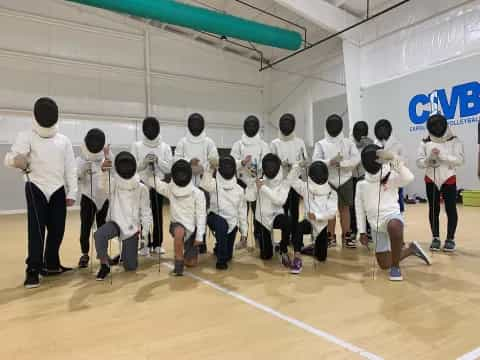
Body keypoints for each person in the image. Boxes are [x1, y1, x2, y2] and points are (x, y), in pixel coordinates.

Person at [4, 97, 77, 288]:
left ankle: (51, 264)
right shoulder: (26, 136)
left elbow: (70, 168)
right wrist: (17, 161)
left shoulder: (64, 140)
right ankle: (33, 270)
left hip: (58, 189)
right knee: (36, 231)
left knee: (57, 230)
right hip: (35, 187)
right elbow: (9, 158)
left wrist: (72, 193)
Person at [356, 144, 431, 281]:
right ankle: (411, 249)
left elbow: (409, 178)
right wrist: (361, 231)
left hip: (392, 217)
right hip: (375, 225)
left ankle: (396, 267)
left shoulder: (390, 175)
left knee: (395, 226)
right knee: (384, 264)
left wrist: (394, 159)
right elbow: (359, 208)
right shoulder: (361, 184)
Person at [94, 152, 152, 281]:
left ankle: (123, 255)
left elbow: (146, 212)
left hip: (132, 228)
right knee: (99, 235)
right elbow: (103, 187)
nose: (125, 168)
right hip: (115, 223)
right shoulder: (114, 182)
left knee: (130, 267)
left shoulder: (142, 188)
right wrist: (103, 171)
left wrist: (145, 235)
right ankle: (105, 264)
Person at [146, 159, 206, 276]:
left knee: (191, 263)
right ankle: (178, 266)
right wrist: (150, 170)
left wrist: (199, 236)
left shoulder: (198, 193)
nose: (181, 176)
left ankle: (185, 252)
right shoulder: (170, 188)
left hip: (192, 228)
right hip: (177, 224)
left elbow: (201, 216)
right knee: (179, 232)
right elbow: (155, 183)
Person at [416, 114, 464, 252]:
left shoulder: (454, 140)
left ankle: (450, 239)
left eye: (439, 125)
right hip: (431, 178)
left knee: (450, 209)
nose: (437, 128)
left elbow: (460, 160)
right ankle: (435, 238)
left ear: (444, 125)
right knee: (433, 209)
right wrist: (428, 159)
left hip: (448, 177)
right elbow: (419, 162)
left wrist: (443, 157)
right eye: (434, 126)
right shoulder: (425, 142)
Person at [313, 114, 360, 248]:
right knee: (330, 210)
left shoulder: (348, 142)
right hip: (328, 181)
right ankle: (330, 235)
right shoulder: (321, 144)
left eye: (336, 124)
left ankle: (346, 235)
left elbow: (356, 159)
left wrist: (343, 164)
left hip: (345, 179)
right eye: (331, 124)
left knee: (344, 208)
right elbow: (316, 161)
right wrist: (330, 162)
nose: (334, 126)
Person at [175, 113, 218, 254]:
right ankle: (189, 240)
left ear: (202, 124)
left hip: (203, 183)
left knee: (202, 213)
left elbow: (214, 159)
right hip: (186, 185)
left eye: (198, 123)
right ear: (188, 124)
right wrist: (189, 162)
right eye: (193, 122)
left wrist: (202, 167)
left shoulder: (208, 142)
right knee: (188, 213)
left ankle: (202, 241)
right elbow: (176, 160)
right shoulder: (182, 142)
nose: (195, 125)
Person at [131, 116, 172, 256]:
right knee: (143, 215)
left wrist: (158, 160)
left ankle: (158, 244)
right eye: (148, 127)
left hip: (158, 184)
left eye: (153, 127)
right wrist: (143, 162)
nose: (150, 130)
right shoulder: (136, 146)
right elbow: (132, 168)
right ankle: (144, 245)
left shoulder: (165, 147)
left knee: (157, 214)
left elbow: (168, 169)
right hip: (142, 185)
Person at [288, 161, 337, 274]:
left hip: (322, 226)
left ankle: (311, 248)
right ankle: (297, 258)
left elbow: (332, 213)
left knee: (321, 258)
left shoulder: (331, 192)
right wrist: (298, 165)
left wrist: (317, 216)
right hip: (308, 223)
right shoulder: (305, 187)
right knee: (299, 226)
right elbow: (291, 180)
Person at [201, 156, 248, 270]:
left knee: (229, 256)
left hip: (232, 223)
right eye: (224, 166)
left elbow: (242, 212)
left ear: (233, 169)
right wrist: (210, 168)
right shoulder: (214, 183)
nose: (227, 168)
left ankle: (219, 248)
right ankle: (221, 262)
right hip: (215, 217)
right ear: (220, 168)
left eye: (230, 166)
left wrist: (244, 234)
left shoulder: (239, 190)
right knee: (222, 225)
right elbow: (204, 183)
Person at [230, 115, 270, 250]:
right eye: (249, 124)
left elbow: (267, 164)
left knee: (258, 212)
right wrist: (242, 162)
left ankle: (258, 237)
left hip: (257, 183)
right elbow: (231, 163)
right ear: (244, 127)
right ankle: (243, 238)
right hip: (241, 183)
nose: (251, 127)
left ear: (257, 127)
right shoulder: (238, 145)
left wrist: (256, 170)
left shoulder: (264, 145)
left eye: (254, 125)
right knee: (241, 212)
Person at [247, 153, 291, 265]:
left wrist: (263, 188)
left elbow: (280, 201)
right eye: (268, 166)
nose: (270, 168)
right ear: (264, 167)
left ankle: (283, 249)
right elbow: (250, 197)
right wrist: (252, 182)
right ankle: (271, 245)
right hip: (262, 219)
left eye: (273, 166)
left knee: (286, 221)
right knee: (266, 256)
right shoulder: (260, 180)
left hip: (277, 215)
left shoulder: (284, 182)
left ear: (277, 166)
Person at [271, 114, 307, 248]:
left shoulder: (300, 142)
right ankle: (284, 241)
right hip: (280, 183)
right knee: (282, 212)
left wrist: (295, 166)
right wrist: (281, 165)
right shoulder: (275, 143)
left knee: (295, 211)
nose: (286, 125)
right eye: (284, 122)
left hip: (295, 182)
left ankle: (296, 239)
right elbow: (271, 162)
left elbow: (304, 161)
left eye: (289, 122)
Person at [76, 128, 111, 268]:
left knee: (103, 228)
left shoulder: (107, 157)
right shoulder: (80, 160)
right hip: (88, 198)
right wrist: (83, 169)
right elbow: (76, 178)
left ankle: (102, 254)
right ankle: (85, 254)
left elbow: (112, 176)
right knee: (85, 228)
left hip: (104, 198)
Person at [374, 119, 406, 214]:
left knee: (398, 199)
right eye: (380, 130)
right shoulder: (374, 144)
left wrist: (392, 159)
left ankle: (400, 218)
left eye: (384, 129)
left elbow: (403, 160)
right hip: (379, 176)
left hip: (394, 175)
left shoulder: (397, 144)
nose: (382, 132)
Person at [350, 121, 373, 240]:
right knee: (353, 205)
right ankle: (353, 229)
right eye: (357, 132)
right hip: (352, 176)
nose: (359, 134)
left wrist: (367, 146)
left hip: (366, 177)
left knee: (367, 204)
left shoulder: (369, 142)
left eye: (362, 132)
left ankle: (369, 229)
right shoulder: (349, 143)